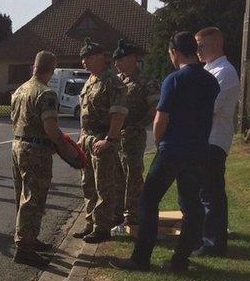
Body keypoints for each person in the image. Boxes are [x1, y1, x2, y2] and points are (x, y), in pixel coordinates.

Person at [111, 32, 219, 272]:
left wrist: (160, 143)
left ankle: (141, 258)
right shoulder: (211, 82)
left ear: (175, 52)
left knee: (148, 200)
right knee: (192, 206)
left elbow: (161, 118)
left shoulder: (174, 79)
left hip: (173, 149)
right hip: (198, 150)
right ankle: (180, 260)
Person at [10, 52, 66, 267]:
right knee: (33, 198)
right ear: (52, 69)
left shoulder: (20, 90)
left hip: (17, 145)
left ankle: (29, 238)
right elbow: (51, 129)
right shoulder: (46, 93)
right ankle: (24, 247)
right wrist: (65, 146)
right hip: (36, 150)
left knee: (22, 195)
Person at [73, 38, 128, 244]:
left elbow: (118, 113)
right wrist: (80, 138)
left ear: (99, 57)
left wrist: (110, 139)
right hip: (87, 140)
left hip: (102, 140)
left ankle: (102, 226)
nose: (83, 62)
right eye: (82, 59)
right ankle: (90, 222)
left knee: (104, 185)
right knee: (88, 183)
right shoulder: (90, 81)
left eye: (87, 58)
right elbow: (85, 114)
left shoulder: (113, 81)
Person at [195, 27, 241, 256]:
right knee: (203, 190)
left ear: (216, 45)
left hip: (214, 139)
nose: (198, 51)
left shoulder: (224, 71)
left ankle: (214, 242)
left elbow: (209, 107)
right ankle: (205, 237)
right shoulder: (207, 70)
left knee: (211, 192)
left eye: (201, 46)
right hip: (204, 139)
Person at [111, 39, 159, 229]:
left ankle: (132, 214)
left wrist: (138, 125)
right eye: (115, 61)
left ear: (132, 59)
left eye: (120, 59)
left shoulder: (147, 82)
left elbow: (155, 109)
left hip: (134, 137)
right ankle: (117, 212)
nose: (117, 64)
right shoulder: (118, 82)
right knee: (116, 176)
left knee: (133, 176)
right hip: (117, 137)